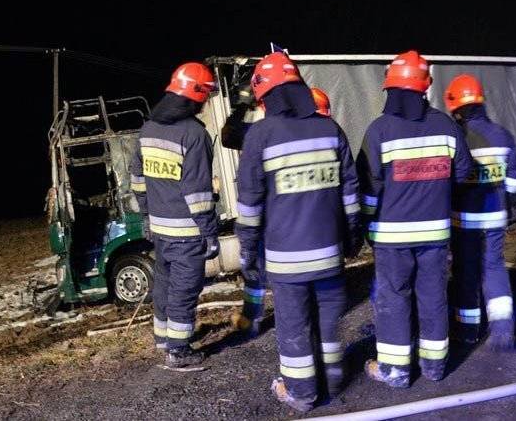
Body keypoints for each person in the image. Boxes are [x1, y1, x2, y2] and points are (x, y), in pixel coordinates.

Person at [234, 51, 361, 411]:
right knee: (327, 321)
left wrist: (248, 251)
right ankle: (334, 378)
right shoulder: (329, 130)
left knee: (294, 328)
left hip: (286, 260)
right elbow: (349, 194)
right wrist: (352, 238)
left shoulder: (260, 136)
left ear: (265, 93)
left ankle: (302, 393)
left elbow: (249, 205)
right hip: (329, 254)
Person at [357, 50, 473, 387]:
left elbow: (369, 186)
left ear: (391, 88)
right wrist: (436, 190)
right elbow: (464, 170)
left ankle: (396, 371)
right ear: (424, 88)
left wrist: (366, 223)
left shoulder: (379, 130)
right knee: (434, 295)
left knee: (394, 298)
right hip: (435, 233)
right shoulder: (446, 126)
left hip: (392, 237)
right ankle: (435, 367)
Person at [130, 62, 221, 369]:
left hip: (160, 229)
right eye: (206, 95)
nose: (206, 102)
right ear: (195, 96)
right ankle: (179, 352)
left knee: (165, 285)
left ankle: (163, 339)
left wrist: (145, 215)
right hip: (187, 232)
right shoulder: (194, 134)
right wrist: (210, 232)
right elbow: (198, 193)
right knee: (184, 289)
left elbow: (137, 178)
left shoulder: (148, 128)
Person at [444, 73, 516, 350]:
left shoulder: (456, 137)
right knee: (493, 267)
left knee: (466, 271)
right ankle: (503, 331)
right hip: (496, 216)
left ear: (455, 107)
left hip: (464, 219)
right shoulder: (503, 135)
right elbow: (514, 185)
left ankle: (467, 331)